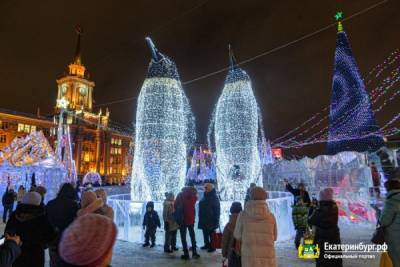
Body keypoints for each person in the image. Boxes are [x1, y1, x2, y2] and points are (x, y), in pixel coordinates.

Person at [5, 191, 56, 267]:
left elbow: (8, 234)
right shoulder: (42, 217)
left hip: (17, 254)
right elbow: (51, 237)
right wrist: (41, 244)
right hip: (36, 255)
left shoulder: (15, 215)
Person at [234, 186, 277, 267]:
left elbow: (237, 235)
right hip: (267, 257)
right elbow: (275, 237)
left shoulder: (243, 215)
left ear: (251, 197)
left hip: (250, 257)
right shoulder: (271, 216)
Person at [46, 183, 79, 267]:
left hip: (53, 237)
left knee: (54, 261)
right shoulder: (74, 205)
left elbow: (46, 220)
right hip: (68, 239)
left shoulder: (50, 203)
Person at [308, 188, 342, 267]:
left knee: (323, 262)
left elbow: (310, 220)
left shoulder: (320, 210)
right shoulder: (334, 207)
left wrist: (312, 207)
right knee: (335, 261)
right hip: (334, 239)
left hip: (322, 241)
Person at [284, 179, 311, 248]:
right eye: (300, 186)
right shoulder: (297, 192)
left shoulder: (305, 193)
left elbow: (309, 202)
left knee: (303, 230)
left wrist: (307, 207)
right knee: (301, 230)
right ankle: (298, 244)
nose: (301, 188)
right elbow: (291, 189)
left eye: (301, 186)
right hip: (300, 212)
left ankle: (302, 244)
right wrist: (287, 184)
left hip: (303, 212)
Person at [175, 185, 200, 260]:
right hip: (190, 218)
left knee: (183, 236)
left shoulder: (180, 195)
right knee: (192, 235)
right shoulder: (194, 195)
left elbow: (175, 205)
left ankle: (186, 254)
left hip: (182, 219)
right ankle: (194, 252)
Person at [379, 177, 400, 267]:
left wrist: (379, 213)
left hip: (395, 238)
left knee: (396, 260)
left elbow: (384, 221)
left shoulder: (391, 201)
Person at [198, 183, 220, 252]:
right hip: (204, 218)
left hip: (211, 219)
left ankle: (212, 246)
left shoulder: (214, 197)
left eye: (206, 188)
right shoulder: (206, 196)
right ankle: (207, 244)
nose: (205, 189)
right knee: (205, 232)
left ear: (210, 189)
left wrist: (216, 219)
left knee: (211, 233)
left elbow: (217, 209)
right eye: (205, 188)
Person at [222, 202, 242, 267]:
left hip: (232, 254)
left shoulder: (228, 225)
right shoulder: (245, 224)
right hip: (243, 253)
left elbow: (225, 241)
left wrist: (224, 254)